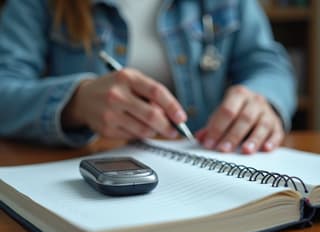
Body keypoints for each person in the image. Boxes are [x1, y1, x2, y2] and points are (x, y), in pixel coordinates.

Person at [0, 0, 296, 154]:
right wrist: (75, 102)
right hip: (83, 170)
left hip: (207, 163)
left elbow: (268, 63)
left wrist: (264, 100)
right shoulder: (38, 5)